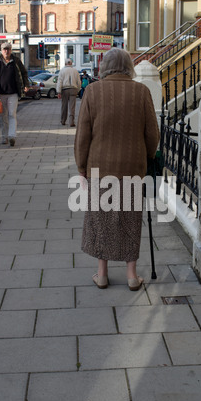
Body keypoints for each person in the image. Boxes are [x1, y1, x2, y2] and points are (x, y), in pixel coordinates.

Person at [74, 48, 160, 291]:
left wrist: (81, 166)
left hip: (99, 167)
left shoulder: (92, 91)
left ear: (104, 67)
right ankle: (132, 276)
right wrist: (149, 156)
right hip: (132, 167)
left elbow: (83, 135)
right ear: (129, 67)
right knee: (130, 219)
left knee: (102, 220)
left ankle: (102, 274)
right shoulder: (141, 91)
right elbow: (152, 133)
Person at [0, 42, 29, 146]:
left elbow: (24, 72)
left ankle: (12, 136)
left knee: (12, 115)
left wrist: (26, 85)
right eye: (4, 49)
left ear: (11, 50)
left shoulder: (16, 61)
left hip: (13, 93)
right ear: (1, 51)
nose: (6, 51)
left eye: (8, 49)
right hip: (1, 93)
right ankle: (4, 137)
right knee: (3, 116)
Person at [56, 58, 81, 127]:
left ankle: (63, 120)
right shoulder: (75, 71)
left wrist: (59, 91)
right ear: (71, 63)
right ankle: (71, 122)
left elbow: (60, 81)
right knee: (72, 106)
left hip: (65, 89)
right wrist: (78, 90)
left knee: (64, 106)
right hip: (73, 89)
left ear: (65, 64)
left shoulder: (62, 71)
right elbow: (78, 82)